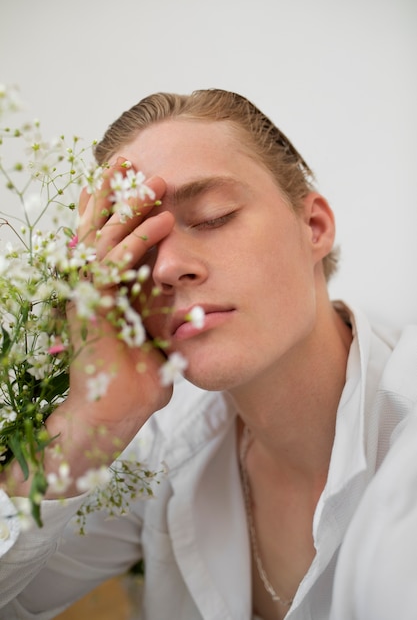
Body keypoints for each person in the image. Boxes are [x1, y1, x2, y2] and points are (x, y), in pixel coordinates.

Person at [0, 89, 416, 620]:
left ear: (313, 227)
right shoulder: (158, 457)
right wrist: (89, 418)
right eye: (140, 245)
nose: (167, 267)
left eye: (213, 216)